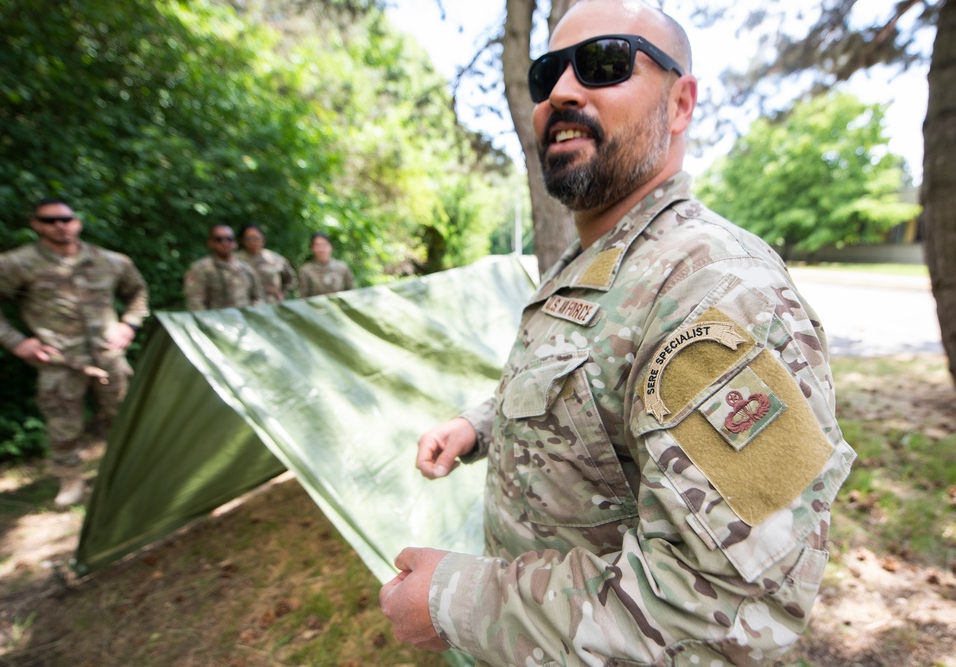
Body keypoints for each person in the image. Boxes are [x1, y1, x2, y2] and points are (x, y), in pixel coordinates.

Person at [379, 1, 856, 664]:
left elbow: (723, 607)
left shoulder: (714, 290)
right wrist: (478, 425)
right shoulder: (599, 262)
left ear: (681, 103)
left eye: (603, 63)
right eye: (545, 75)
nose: (562, 92)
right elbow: (592, 390)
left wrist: (454, 600)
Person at [0, 198, 149, 506]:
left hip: (108, 357)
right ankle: (71, 481)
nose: (60, 225)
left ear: (77, 222)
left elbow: (138, 292)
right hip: (60, 361)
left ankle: (132, 473)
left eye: (66, 218)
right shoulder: (15, 264)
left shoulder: (111, 261)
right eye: (49, 220)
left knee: (125, 417)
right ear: (36, 225)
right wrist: (16, 341)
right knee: (64, 425)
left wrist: (129, 324)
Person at [183, 224, 262, 310]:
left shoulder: (246, 269)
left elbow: (258, 297)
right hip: (215, 321)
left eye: (229, 239)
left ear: (235, 243)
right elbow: (195, 302)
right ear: (210, 243)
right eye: (219, 239)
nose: (225, 243)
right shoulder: (201, 269)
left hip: (244, 321)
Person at [237, 224, 298, 304]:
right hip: (245, 307)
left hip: (272, 305)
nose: (253, 242)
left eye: (256, 238)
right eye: (249, 238)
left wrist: (283, 293)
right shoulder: (236, 260)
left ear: (263, 240)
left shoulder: (275, 259)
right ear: (243, 240)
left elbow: (291, 279)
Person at [298, 232, 354, 298]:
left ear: (331, 246)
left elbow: (352, 292)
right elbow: (303, 297)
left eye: (324, 245)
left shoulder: (342, 268)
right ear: (312, 248)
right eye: (317, 245)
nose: (321, 249)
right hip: (316, 307)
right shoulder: (306, 270)